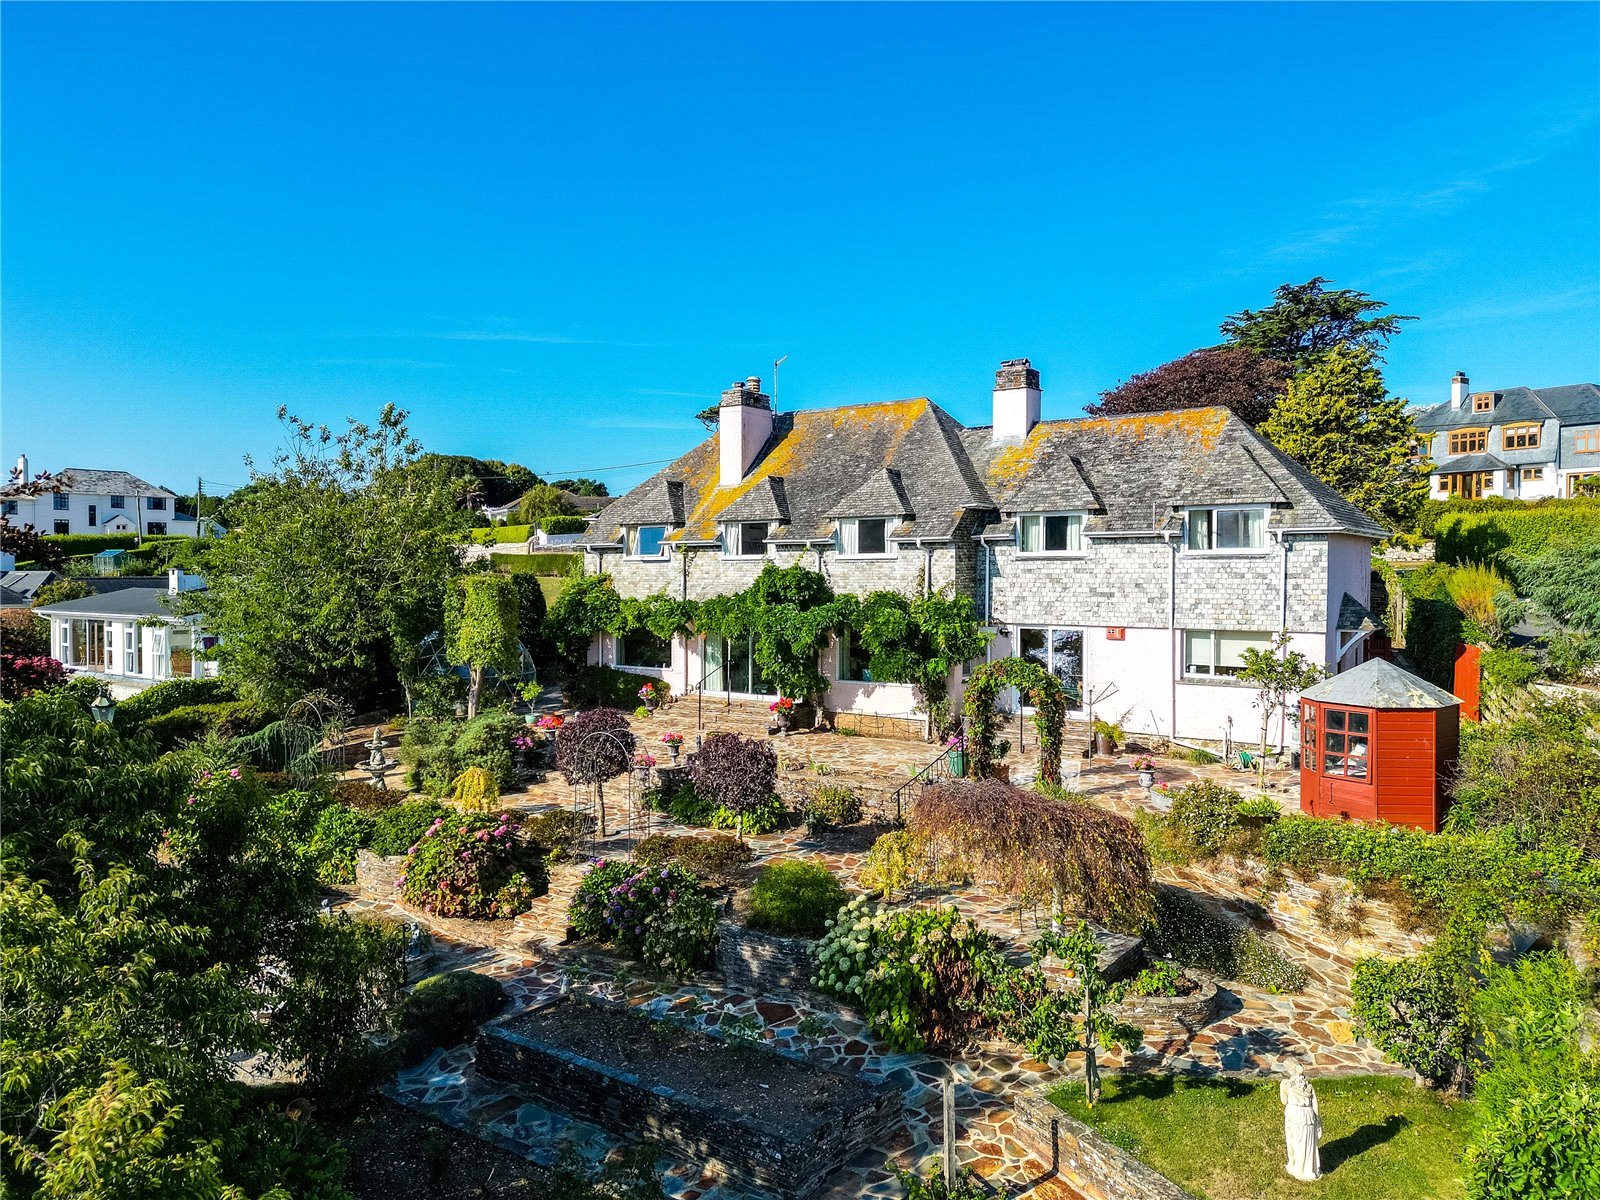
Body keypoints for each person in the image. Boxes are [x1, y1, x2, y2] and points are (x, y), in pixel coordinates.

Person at [1279, 1058, 1322, 1181]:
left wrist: (1283, 1089)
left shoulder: (1286, 1084)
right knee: (1308, 1143)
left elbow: (1284, 1101)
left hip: (1294, 1114)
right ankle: (1309, 1169)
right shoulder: (1309, 1085)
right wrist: (1318, 1120)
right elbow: (1315, 1105)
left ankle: (1297, 1167)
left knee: (1295, 1141)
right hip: (1308, 1115)